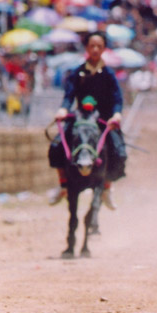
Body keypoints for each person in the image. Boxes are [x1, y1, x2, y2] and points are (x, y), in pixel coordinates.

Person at [48, 31, 127, 209]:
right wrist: (63, 109)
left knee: (119, 152)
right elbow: (69, 96)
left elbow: (117, 99)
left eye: (99, 46)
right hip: (80, 118)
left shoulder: (108, 74)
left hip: (104, 121)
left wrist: (116, 114)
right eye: (92, 45)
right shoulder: (77, 73)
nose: (95, 49)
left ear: (104, 49)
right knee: (56, 146)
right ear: (87, 48)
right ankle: (63, 185)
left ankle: (107, 187)